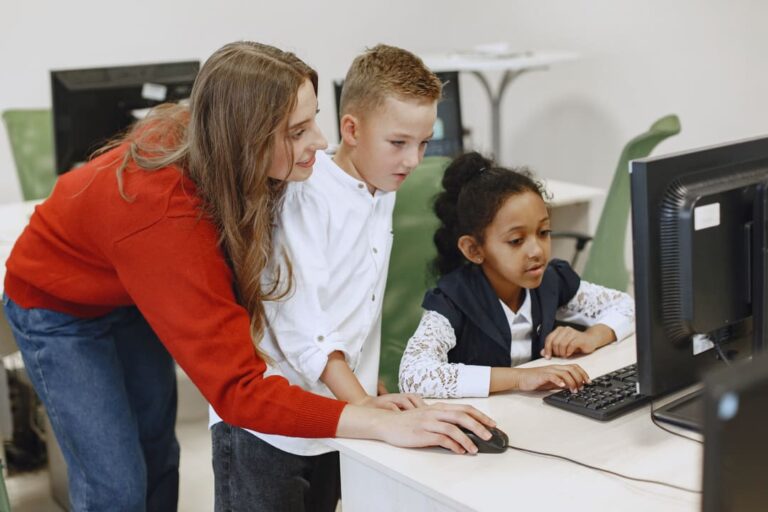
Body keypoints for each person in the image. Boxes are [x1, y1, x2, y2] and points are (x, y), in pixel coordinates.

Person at [1, 42, 495, 512]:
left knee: (157, 456)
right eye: (297, 132)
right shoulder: (166, 218)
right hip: (57, 305)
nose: (320, 143)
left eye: (313, 121)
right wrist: (372, 420)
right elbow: (238, 390)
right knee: (117, 483)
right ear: (247, 138)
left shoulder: (220, 141)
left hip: (130, 287)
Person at [209, 43, 442, 512]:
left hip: (332, 417)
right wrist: (361, 407)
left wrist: (365, 382)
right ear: (351, 129)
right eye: (399, 143)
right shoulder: (303, 192)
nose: (413, 160)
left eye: (424, 143)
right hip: (268, 430)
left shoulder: (381, 187)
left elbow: (358, 300)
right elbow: (302, 322)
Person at [398, 152, 635, 398]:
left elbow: (626, 305)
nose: (536, 251)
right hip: (479, 422)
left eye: (543, 232)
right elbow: (413, 375)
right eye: (516, 240)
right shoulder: (453, 300)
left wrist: (592, 336)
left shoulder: (552, 281)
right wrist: (520, 378)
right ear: (474, 249)